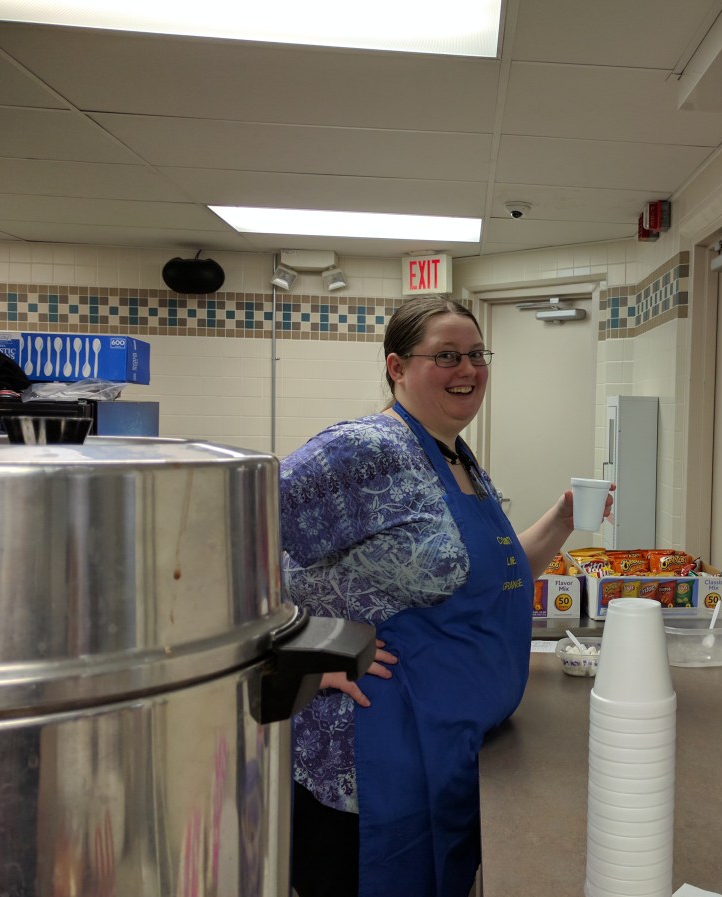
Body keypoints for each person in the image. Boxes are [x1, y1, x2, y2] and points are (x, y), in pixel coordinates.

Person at [280, 297, 610, 897]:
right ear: (397, 367)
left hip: (452, 747)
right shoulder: (362, 449)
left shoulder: (457, 458)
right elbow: (228, 537)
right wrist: (297, 651)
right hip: (373, 760)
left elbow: (492, 577)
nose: (468, 370)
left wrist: (562, 522)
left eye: (477, 355)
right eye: (447, 356)